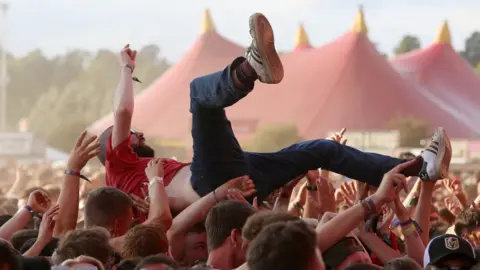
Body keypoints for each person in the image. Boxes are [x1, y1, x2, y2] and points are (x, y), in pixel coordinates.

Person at [98, 12, 452, 220]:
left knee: (322, 150)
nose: (137, 134)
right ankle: (250, 67)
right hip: (213, 184)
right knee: (199, 95)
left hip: (236, 184)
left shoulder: (143, 183)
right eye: (128, 136)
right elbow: (124, 109)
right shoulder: (119, 167)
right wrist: (126, 70)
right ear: (110, 151)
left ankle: (420, 167)